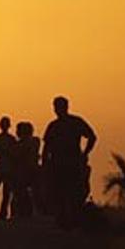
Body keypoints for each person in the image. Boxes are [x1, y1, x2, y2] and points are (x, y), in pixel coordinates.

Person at [42, 96, 97, 229]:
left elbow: (92, 137)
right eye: (56, 107)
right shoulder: (54, 125)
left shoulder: (73, 122)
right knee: (60, 193)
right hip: (59, 164)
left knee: (73, 193)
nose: (57, 110)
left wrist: (85, 153)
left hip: (71, 164)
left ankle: (72, 220)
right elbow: (46, 147)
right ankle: (64, 221)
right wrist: (45, 163)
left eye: (58, 107)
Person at [10, 121, 39, 218]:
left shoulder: (31, 142)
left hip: (25, 171)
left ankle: (26, 212)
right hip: (26, 170)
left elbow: (16, 154)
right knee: (22, 193)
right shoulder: (32, 142)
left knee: (22, 192)